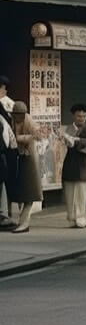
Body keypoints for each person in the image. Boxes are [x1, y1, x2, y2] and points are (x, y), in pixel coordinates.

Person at [61, 103, 86, 228]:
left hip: (83, 162)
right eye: (78, 116)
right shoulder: (68, 129)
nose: (81, 118)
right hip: (70, 161)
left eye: (83, 116)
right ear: (74, 116)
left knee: (82, 192)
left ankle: (81, 217)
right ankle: (71, 217)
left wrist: (78, 140)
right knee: (70, 191)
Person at [10, 102, 42, 233]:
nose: (18, 117)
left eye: (20, 114)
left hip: (29, 159)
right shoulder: (11, 122)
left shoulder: (29, 121)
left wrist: (20, 138)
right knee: (19, 193)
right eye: (16, 114)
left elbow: (38, 136)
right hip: (17, 158)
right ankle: (20, 221)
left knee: (29, 193)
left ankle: (24, 222)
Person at [0, 75, 18, 230]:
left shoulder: (5, 106)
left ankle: (4, 214)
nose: (4, 91)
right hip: (3, 152)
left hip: (5, 154)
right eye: (2, 88)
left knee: (4, 185)